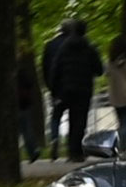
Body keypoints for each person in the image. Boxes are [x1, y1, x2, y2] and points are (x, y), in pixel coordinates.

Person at [44, 18, 104, 161]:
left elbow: (55, 69)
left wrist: (54, 90)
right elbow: (99, 69)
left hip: (66, 89)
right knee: (80, 120)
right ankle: (77, 152)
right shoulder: (90, 48)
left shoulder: (64, 48)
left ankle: (71, 152)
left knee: (71, 118)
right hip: (84, 89)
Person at [17, 48, 46, 162]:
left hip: (14, 105)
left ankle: (29, 151)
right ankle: (32, 150)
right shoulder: (21, 71)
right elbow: (30, 83)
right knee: (26, 129)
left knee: (21, 129)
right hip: (23, 103)